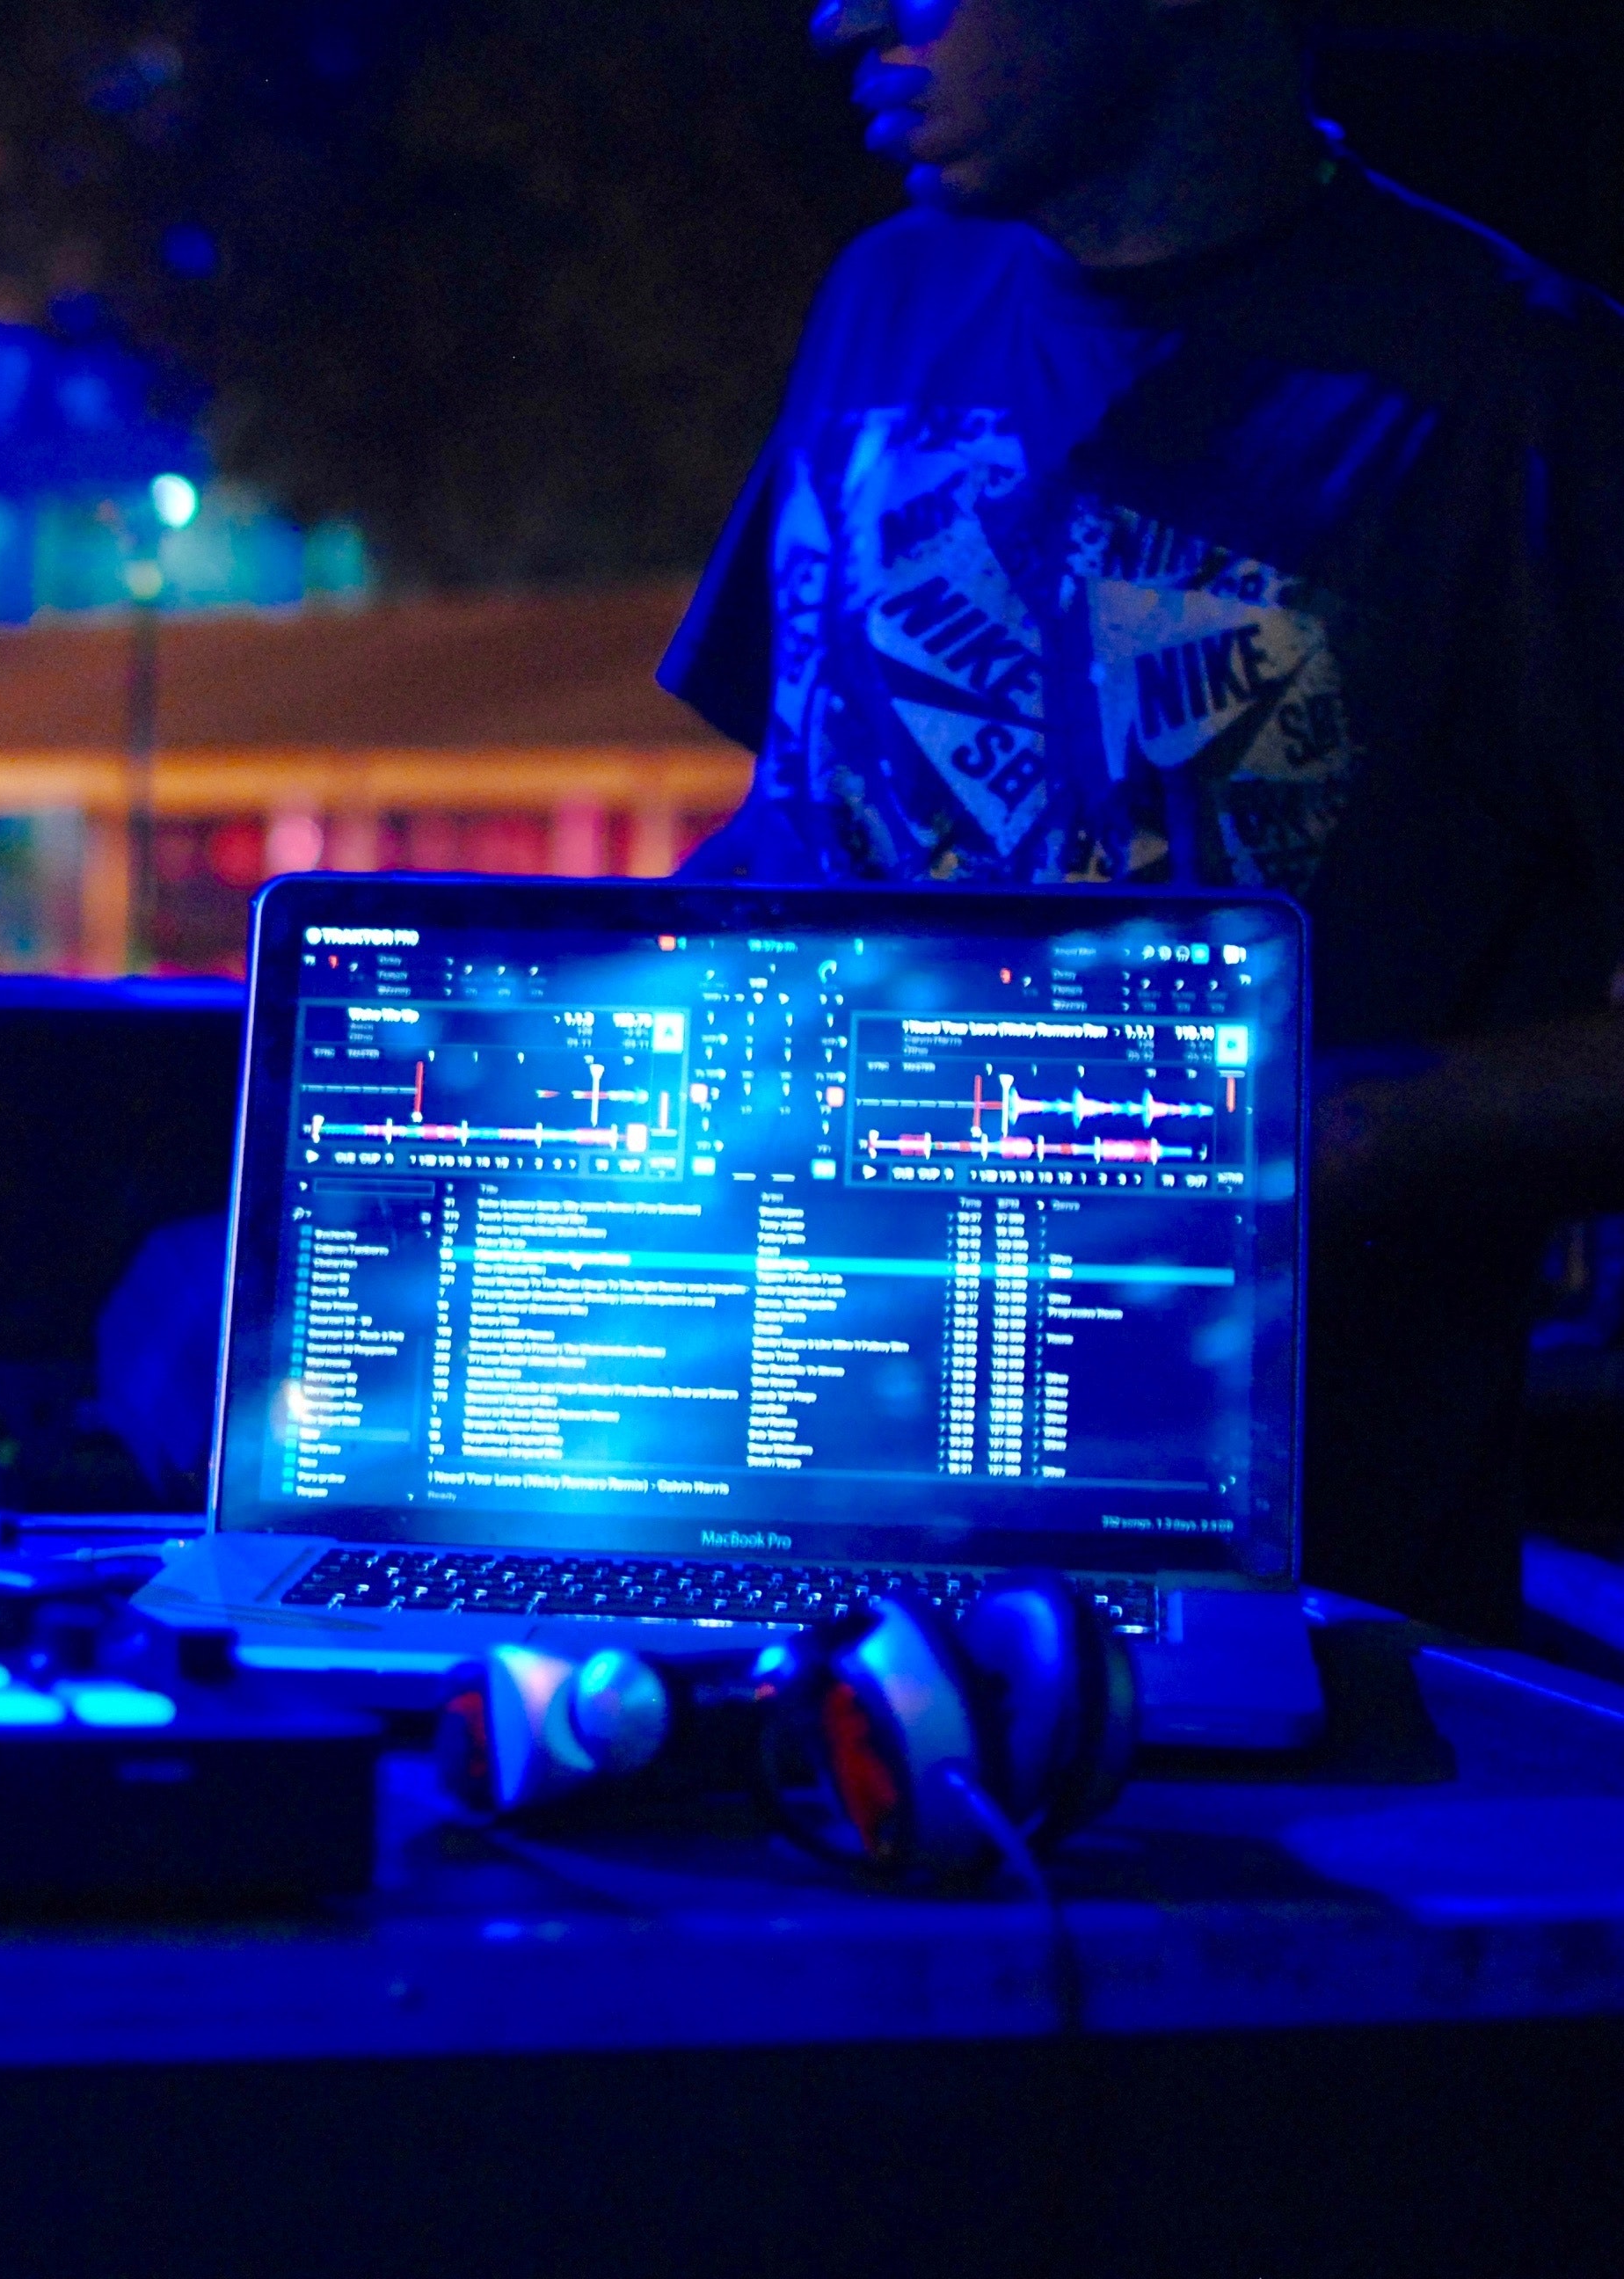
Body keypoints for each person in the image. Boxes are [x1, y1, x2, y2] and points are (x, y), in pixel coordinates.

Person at [662, 0, 1624, 1635]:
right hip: (793, 1522)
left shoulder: (1531, 396)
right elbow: (802, 827)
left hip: (1303, 1606)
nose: (844, 20)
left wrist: (1319, 1131)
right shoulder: (887, 296)